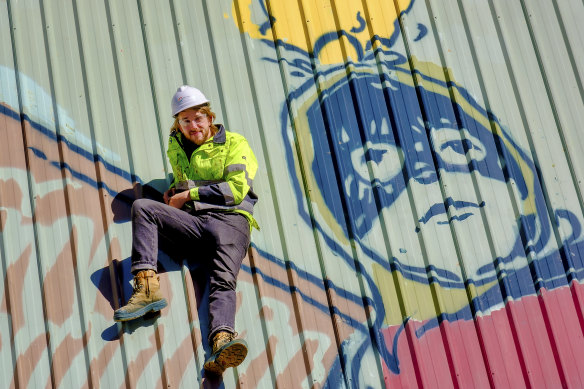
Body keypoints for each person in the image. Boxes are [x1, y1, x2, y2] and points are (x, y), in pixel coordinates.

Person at [113, 85, 259, 375]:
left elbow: (236, 189)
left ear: (210, 117)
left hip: (231, 221)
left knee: (223, 281)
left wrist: (188, 194)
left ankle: (221, 344)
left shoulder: (233, 142)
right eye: (185, 121)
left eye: (199, 118)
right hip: (195, 223)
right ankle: (146, 290)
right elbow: (185, 185)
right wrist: (174, 194)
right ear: (177, 124)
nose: (193, 126)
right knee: (144, 208)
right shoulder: (176, 147)